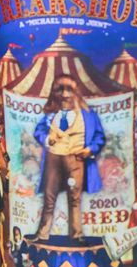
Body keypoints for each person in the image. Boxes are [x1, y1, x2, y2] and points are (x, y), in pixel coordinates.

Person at [32, 75, 105, 241]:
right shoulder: (51, 114)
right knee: (49, 197)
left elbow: (99, 136)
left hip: (76, 159)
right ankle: (42, 234)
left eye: (69, 90)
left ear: (76, 92)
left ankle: (76, 235)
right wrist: (47, 140)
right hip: (54, 158)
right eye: (60, 90)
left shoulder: (88, 115)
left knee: (74, 198)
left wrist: (90, 149)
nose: (65, 95)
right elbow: (39, 131)